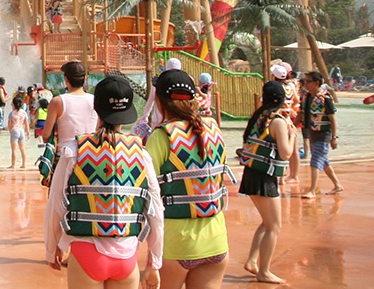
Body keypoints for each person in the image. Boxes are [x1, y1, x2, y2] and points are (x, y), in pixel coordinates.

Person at [46, 75, 163, 288]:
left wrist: (53, 245)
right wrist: (155, 262)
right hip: (127, 253)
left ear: (96, 108)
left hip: (85, 251)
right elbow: (155, 210)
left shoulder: (74, 151)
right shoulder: (141, 154)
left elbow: (56, 202)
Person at [146, 70, 232, 289]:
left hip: (177, 243)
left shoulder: (162, 136)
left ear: (159, 102)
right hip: (216, 240)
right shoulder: (213, 129)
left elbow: (146, 189)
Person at [239, 81, 295, 284]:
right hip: (264, 177)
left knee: (267, 222)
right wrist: (293, 136)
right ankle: (264, 271)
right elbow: (286, 153)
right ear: (282, 99)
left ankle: (253, 261)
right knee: (274, 226)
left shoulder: (259, 117)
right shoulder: (278, 121)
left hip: (252, 173)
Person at [41, 61, 98, 191]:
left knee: (58, 199)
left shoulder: (58, 101)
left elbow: (45, 135)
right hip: (90, 155)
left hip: (65, 157)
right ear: (85, 78)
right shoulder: (95, 100)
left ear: (66, 79)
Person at [300, 70, 343, 198]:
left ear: (316, 83)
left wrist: (334, 137)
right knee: (323, 160)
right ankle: (337, 185)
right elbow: (303, 113)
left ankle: (312, 190)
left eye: (308, 82)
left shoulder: (326, 99)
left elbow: (332, 119)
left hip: (323, 134)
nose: (306, 84)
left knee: (316, 160)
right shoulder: (307, 97)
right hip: (312, 132)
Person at [8, 96, 29, 168]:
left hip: (15, 130)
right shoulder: (24, 113)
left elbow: (10, 125)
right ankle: (24, 164)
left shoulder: (12, 113)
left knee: (14, 150)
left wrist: (10, 131)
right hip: (22, 130)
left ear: (14, 104)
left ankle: (13, 165)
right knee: (22, 149)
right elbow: (26, 124)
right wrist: (28, 133)